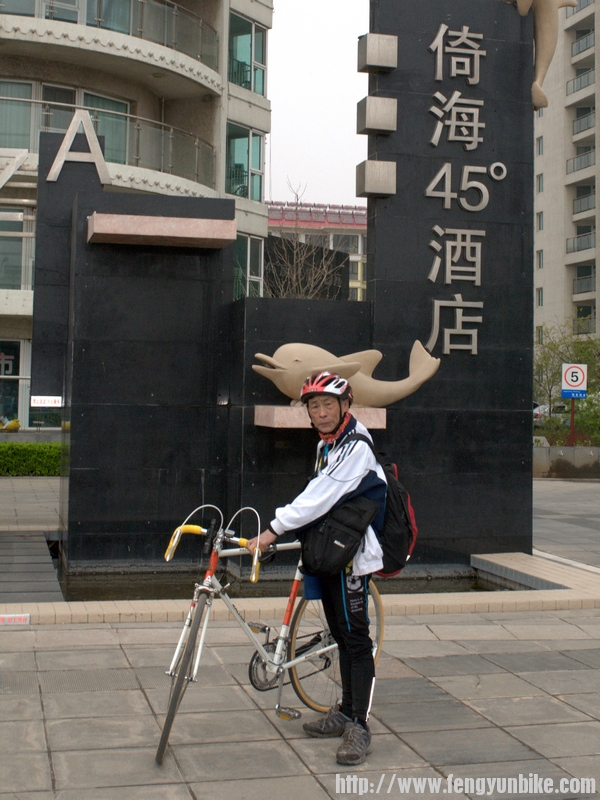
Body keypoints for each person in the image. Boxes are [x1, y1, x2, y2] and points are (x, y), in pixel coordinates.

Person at [247, 370, 387, 765]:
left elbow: (320, 497)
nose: (321, 412)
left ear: (345, 406)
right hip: (329, 554)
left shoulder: (356, 446)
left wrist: (273, 530)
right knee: (340, 636)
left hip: (352, 561)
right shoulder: (329, 445)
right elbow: (317, 496)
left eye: (328, 404)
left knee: (356, 640)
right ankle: (343, 710)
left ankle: (358, 725)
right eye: (314, 406)